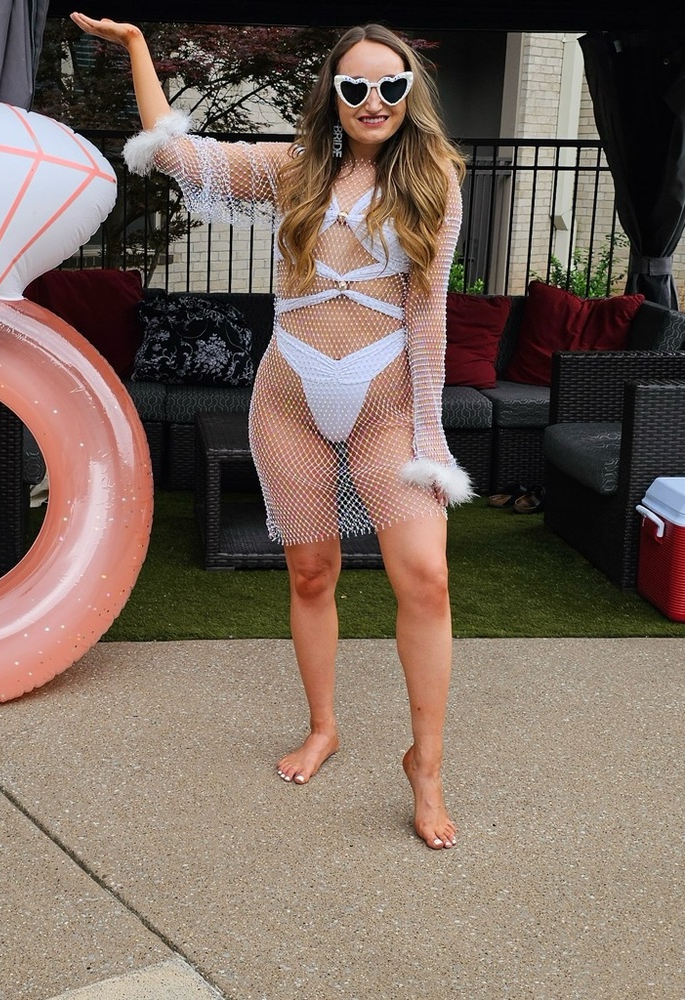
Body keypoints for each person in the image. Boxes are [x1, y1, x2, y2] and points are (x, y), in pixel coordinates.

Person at [71, 13, 471, 849]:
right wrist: (142, 50)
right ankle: (323, 726)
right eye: (355, 85)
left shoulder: (433, 176)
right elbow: (179, 153)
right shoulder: (290, 169)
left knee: (426, 579)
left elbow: (428, 318)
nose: (372, 100)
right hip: (287, 400)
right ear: (333, 90)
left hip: (387, 405)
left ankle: (425, 766)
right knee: (312, 572)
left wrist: (430, 441)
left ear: (409, 94)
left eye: (390, 86)